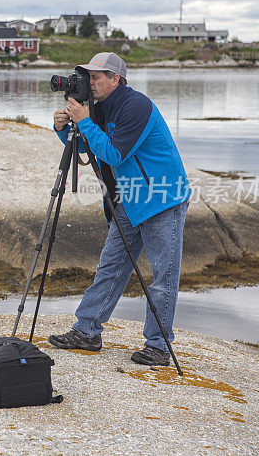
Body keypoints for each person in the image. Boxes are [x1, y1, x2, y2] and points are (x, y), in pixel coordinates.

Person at [48, 52, 191, 366]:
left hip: (162, 199)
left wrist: (84, 120)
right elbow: (88, 146)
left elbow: (114, 154)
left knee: (163, 277)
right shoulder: (97, 108)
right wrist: (65, 128)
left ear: (116, 79)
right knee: (111, 267)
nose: (90, 83)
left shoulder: (135, 106)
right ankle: (87, 331)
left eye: (96, 77)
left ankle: (158, 347)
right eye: (88, 77)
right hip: (127, 198)